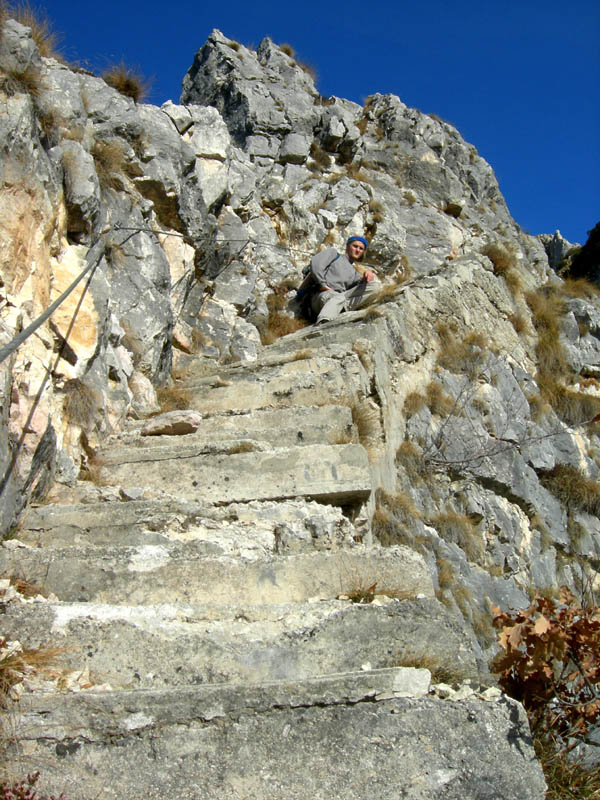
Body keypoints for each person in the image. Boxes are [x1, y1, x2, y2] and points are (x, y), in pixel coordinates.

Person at [309, 236, 381, 324]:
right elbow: (316, 264)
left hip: (340, 298)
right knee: (338, 297)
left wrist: (367, 275)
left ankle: (341, 308)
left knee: (375, 286)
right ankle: (323, 322)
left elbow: (357, 289)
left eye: (361, 249)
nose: (358, 250)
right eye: (355, 246)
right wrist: (322, 285)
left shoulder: (355, 273)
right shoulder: (333, 254)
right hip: (321, 295)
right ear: (347, 246)